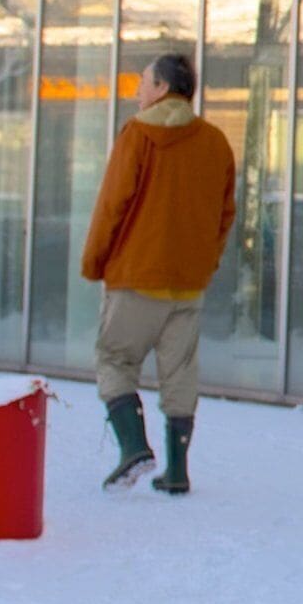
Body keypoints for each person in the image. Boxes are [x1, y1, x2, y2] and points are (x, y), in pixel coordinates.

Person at [79, 52, 236, 493]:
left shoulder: (138, 134)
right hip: (188, 283)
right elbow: (224, 216)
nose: (136, 91)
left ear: (163, 88)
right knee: (180, 372)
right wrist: (204, 263)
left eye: (142, 82)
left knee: (115, 359)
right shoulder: (216, 142)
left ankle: (133, 448)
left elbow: (112, 205)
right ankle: (178, 470)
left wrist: (94, 261)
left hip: (136, 274)